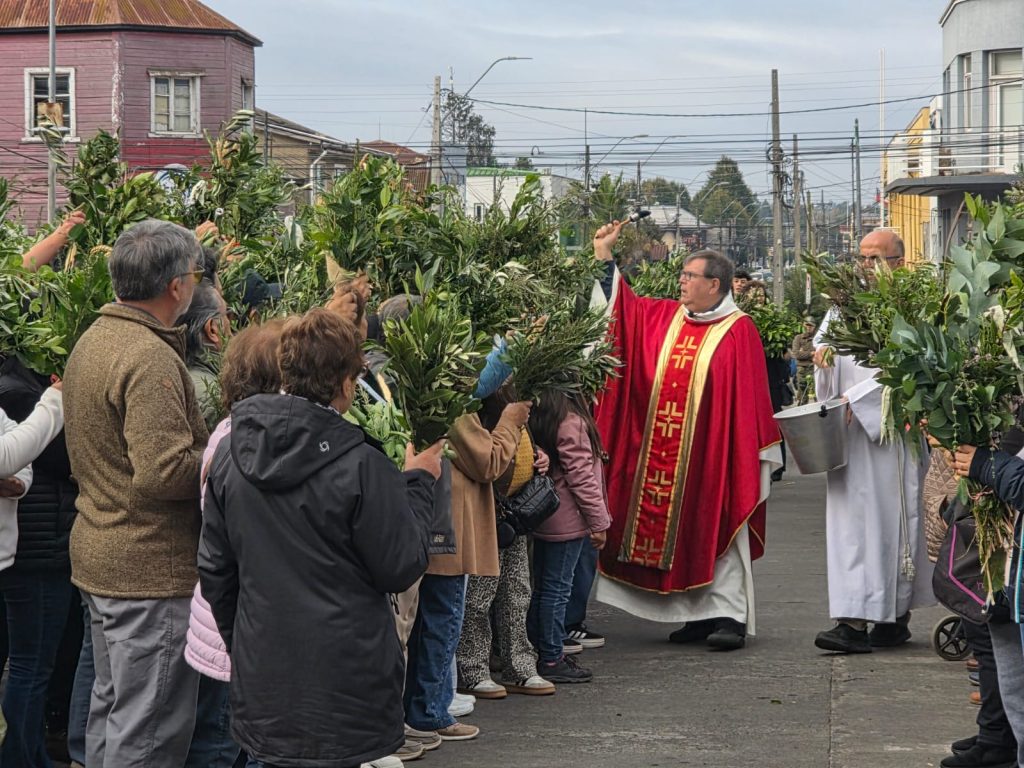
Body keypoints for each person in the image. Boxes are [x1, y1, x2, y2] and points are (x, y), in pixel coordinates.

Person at [199, 308, 442, 768]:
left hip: (267, 670)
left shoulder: (232, 453)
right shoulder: (362, 465)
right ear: (346, 384)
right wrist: (418, 483)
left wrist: (245, 643)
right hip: (344, 676)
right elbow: (401, 565)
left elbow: (215, 569)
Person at [589, 222, 782, 651]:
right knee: (682, 535)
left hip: (715, 456)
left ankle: (729, 615)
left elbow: (749, 402)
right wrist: (604, 255)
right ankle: (695, 615)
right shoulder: (665, 318)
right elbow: (623, 310)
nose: (682, 282)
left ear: (714, 284)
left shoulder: (739, 330)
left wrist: (740, 456)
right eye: (682, 275)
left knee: (719, 529)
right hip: (663, 456)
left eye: (690, 276)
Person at [63, 219, 208, 767]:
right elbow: (163, 473)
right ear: (176, 286)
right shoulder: (147, 356)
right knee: (148, 731)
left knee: (114, 711)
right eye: (195, 275)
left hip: (104, 552)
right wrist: (222, 453)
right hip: (147, 568)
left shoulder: (95, 338)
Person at [811, 229, 933, 654]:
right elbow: (823, 348)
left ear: (899, 262)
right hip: (848, 436)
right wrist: (823, 363)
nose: (865, 266)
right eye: (861, 258)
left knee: (888, 527)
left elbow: (914, 365)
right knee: (850, 530)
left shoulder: (911, 306)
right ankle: (858, 618)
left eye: (875, 258)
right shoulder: (842, 306)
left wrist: (859, 398)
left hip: (890, 436)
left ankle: (886, 618)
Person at [183, 319, 286, 768]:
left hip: (220, 620)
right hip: (237, 625)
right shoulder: (253, 444)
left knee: (220, 738)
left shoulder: (229, 430)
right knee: (224, 744)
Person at [405, 400, 533, 741]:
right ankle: (430, 711)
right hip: (448, 528)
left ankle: (421, 708)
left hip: (430, 522)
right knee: (442, 621)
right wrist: (510, 422)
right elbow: (487, 461)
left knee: (424, 624)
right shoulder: (452, 405)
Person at [456, 387, 556, 699]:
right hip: (488, 514)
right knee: (478, 595)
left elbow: (518, 440)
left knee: (517, 593)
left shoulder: (511, 398)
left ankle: (520, 665)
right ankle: (472, 669)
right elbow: (487, 457)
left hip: (515, 512)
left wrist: (537, 455)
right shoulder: (478, 404)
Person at [0, 373, 65, 768]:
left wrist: (15, 483)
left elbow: (20, 467)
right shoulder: (20, 388)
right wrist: (55, 400)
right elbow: (10, 454)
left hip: (11, 555)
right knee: (30, 664)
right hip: (37, 551)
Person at [527, 389, 611, 683]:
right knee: (557, 590)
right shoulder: (571, 422)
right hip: (567, 521)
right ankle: (551, 657)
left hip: (545, 516)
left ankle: (538, 649)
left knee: (542, 588)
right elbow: (582, 478)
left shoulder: (541, 416)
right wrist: (599, 522)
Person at [177, 282, 231, 429]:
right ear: (212, 329)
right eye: (227, 315)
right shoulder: (212, 398)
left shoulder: (178, 374)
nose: (230, 324)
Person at [791, 316, 817, 404]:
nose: (808, 327)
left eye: (811, 325)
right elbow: (796, 354)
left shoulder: (817, 339)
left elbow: (820, 353)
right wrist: (811, 353)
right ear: (803, 325)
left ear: (814, 327)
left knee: (818, 394)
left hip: (815, 369)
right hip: (802, 370)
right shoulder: (798, 338)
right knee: (802, 397)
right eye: (807, 325)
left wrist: (803, 353)